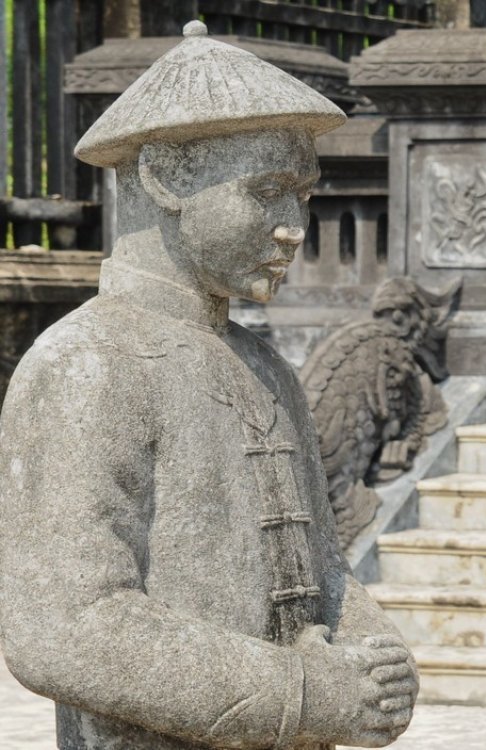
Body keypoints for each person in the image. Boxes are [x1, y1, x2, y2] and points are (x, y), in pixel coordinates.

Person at [0, 22, 416, 750]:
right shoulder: (87, 363)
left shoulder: (267, 367)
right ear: (165, 176)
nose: (295, 227)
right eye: (268, 192)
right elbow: (62, 626)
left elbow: (319, 566)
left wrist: (374, 653)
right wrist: (310, 694)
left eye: (304, 196)